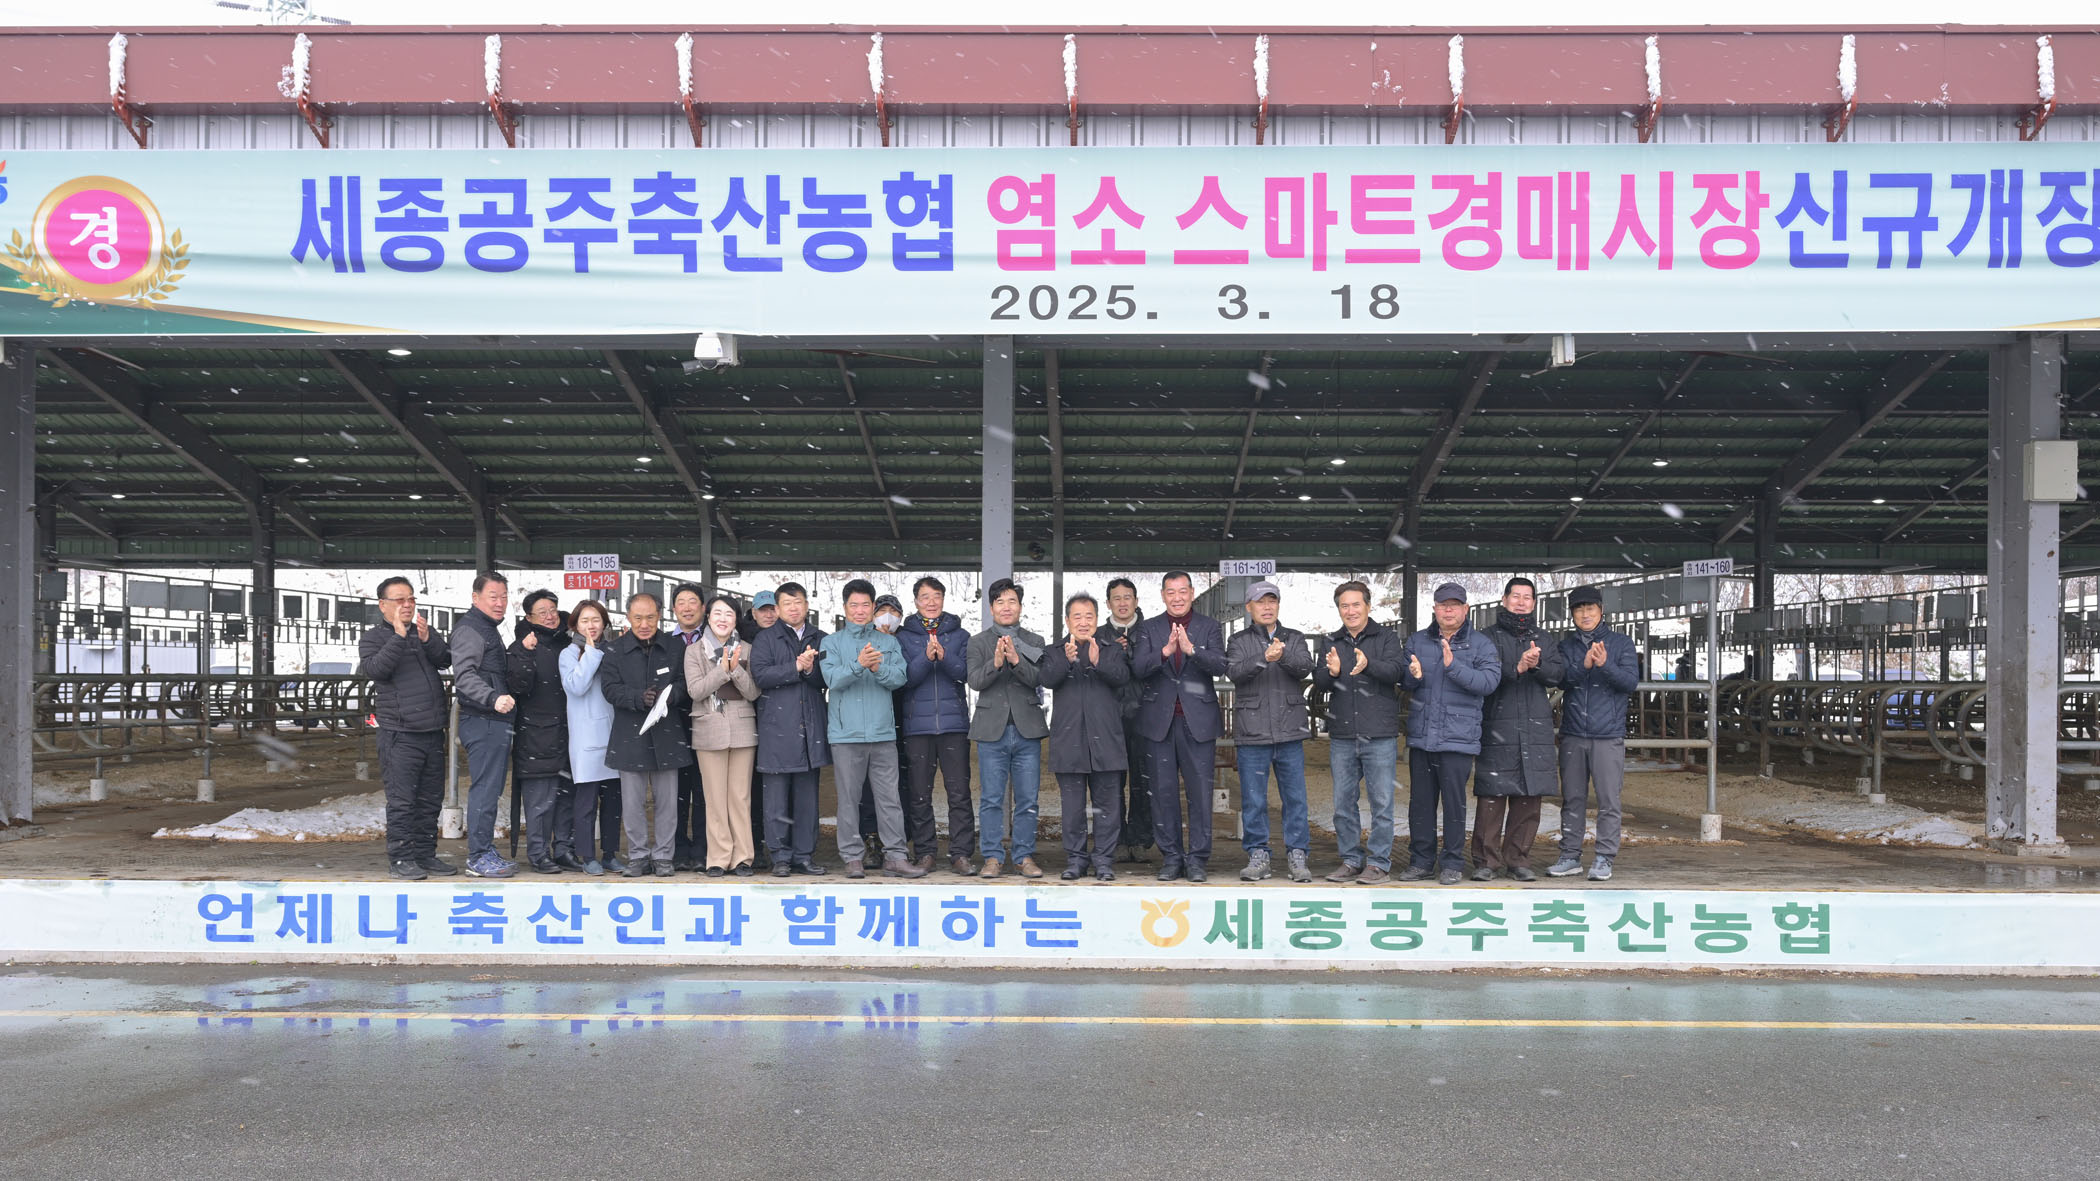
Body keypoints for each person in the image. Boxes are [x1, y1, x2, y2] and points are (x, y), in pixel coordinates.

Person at [1399, 582, 1502, 885]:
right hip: (1422, 736)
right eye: (1443, 605)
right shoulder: (1418, 641)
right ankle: (1421, 861)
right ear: (1434, 608)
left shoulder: (1480, 644)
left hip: (1458, 739)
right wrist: (1412, 676)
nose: (1448, 610)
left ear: (1465, 609)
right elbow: (1403, 680)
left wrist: (1453, 666)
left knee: (1454, 805)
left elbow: (1488, 683)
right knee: (1421, 804)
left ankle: (1453, 862)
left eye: (1454, 605)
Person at [1130, 570, 1227, 883]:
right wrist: (1165, 652)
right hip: (1159, 722)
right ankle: (1171, 857)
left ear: (1192, 593)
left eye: (1182, 591)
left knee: (1200, 793)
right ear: (1162, 596)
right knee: (1163, 793)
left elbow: (1220, 665)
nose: (1177, 597)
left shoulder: (1209, 626)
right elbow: (1138, 668)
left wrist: (1191, 650)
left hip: (1198, 721)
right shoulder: (1148, 628)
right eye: (1170, 592)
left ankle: (1197, 859)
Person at [820, 580, 921, 878]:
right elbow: (831, 680)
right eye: (854, 605)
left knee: (889, 799)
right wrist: (859, 664)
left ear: (873, 608)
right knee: (849, 799)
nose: (860, 610)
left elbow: (900, 678)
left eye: (866, 605)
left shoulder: (888, 642)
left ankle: (896, 856)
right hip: (846, 734)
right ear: (845, 608)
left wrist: (878, 668)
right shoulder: (831, 643)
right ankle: (852, 857)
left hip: (882, 733)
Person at [357, 576, 456, 880]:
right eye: (400, 599)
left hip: (432, 731)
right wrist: (398, 638)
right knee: (402, 801)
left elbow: (445, 659)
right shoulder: (373, 638)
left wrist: (428, 639)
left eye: (411, 599)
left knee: (430, 799)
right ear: (383, 605)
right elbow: (376, 670)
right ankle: (400, 858)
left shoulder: (423, 631)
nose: (407, 605)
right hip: (399, 733)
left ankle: (425, 854)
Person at [1471, 577, 1567, 882]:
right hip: (1496, 722)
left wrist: (1537, 666)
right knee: (1492, 796)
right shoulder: (1486, 638)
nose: (1521, 602)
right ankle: (1486, 861)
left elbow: (1558, 674)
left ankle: (1518, 859)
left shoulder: (1544, 638)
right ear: (1504, 600)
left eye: (1527, 597)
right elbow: (1482, 676)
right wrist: (1517, 668)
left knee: (1529, 795)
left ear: (1534, 603)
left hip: (1534, 725)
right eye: (1516, 596)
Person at [1313, 580, 1405, 885]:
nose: (1350, 611)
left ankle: (1378, 863)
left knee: (1382, 803)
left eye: (1356, 604)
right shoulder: (1331, 640)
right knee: (1343, 803)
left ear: (1368, 606)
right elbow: (1319, 682)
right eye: (1344, 605)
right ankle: (1351, 859)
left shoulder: (1387, 637)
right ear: (1338, 609)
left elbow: (1396, 672)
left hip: (1379, 733)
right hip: (1343, 733)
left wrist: (1368, 664)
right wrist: (1332, 673)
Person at [1225, 580, 1316, 883]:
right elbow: (1235, 672)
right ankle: (1258, 853)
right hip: (1253, 732)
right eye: (1260, 602)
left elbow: (1304, 667)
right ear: (1249, 607)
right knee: (1254, 799)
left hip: (1290, 731)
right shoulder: (1238, 640)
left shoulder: (1294, 637)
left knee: (1295, 798)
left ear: (1278, 605)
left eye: (1271, 601)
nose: (1267, 607)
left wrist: (1282, 655)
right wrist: (1263, 658)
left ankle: (1297, 853)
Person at [597, 592, 693, 878]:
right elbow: (609, 689)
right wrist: (637, 698)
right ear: (628, 617)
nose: (644, 624)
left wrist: (670, 696)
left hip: (667, 734)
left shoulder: (674, 647)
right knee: (632, 803)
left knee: (668, 803)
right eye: (638, 618)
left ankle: (664, 856)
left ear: (659, 616)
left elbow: (685, 683)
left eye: (650, 617)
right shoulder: (614, 650)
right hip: (630, 735)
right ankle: (638, 856)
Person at [1550, 584, 1641, 882]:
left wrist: (1605, 665)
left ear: (1601, 611)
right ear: (1572, 614)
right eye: (1579, 610)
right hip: (1574, 732)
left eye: (1590, 608)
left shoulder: (1621, 643)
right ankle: (1570, 855)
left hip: (1608, 734)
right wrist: (1584, 665)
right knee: (1572, 798)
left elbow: (1629, 682)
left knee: (1608, 799)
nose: (1585, 614)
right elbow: (1562, 680)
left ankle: (1604, 856)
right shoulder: (1566, 647)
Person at [1041, 591, 1130, 882]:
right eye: (1077, 617)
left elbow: (1122, 678)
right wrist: (1066, 662)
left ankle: (1104, 860)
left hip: (1106, 740)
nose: (1083, 622)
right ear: (1067, 621)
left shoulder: (1112, 649)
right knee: (1072, 808)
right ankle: (1076, 859)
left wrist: (1098, 661)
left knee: (1108, 807)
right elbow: (1047, 679)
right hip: (1069, 741)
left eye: (1088, 616)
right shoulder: (1055, 651)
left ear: (1097, 619)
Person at [968, 577, 1049, 878]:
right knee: (991, 798)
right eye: (1000, 602)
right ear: (991, 608)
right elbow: (975, 681)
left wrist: (1016, 660)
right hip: (992, 730)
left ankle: (1024, 856)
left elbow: (1039, 678)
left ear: (1020, 607)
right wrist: (996, 663)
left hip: (1027, 729)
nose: (1006, 607)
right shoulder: (978, 642)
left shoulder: (1035, 641)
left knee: (1027, 799)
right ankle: (992, 857)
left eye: (1012, 601)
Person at [751, 582, 831, 876]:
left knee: (807, 799)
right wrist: (795, 668)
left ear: (806, 605)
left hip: (810, 727)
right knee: (776, 801)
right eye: (787, 603)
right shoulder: (765, 638)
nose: (793, 608)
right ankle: (780, 857)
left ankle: (804, 855)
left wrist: (810, 669)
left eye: (798, 602)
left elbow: (828, 679)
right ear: (778, 608)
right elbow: (760, 675)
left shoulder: (820, 638)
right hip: (777, 727)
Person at [898, 575, 975, 874]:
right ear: (916, 601)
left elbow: (965, 674)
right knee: (919, 794)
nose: (931, 602)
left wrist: (944, 657)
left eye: (936, 596)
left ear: (943, 599)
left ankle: (961, 854)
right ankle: (926, 852)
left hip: (954, 725)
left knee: (959, 793)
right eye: (925, 597)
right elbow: (904, 679)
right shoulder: (904, 637)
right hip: (917, 727)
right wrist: (924, 658)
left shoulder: (960, 635)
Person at [684, 594, 761, 876]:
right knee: (714, 799)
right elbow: (696, 691)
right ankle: (717, 857)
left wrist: (736, 669)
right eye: (717, 613)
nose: (723, 619)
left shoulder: (748, 649)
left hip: (742, 729)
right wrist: (722, 670)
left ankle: (743, 857)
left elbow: (753, 692)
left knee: (740, 797)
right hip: (708, 728)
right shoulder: (694, 651)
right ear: (708, 616)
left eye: (729, 614)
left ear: (736, 619)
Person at [449, 571, 519, 878]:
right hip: (483, 719)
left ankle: (484, 850)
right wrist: (492, 697)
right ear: (475, 598)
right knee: (485, 790)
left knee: (490, 789)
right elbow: (464, 676)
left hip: (493, 720)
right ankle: (478, 857)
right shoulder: (471, 630)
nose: (500, 602)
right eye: (493, 596)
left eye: (504, 596)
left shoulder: (487, 628)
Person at [504, 588, 572, 874]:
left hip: (569, 733)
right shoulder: (520, 646)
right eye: (542, 612)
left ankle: (564, 849)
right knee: (540, 800)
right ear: (529, 617)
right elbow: (518, 686)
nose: (550, 616)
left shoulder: (569, 642)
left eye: (552, 610)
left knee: (567, 797)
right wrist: (525, 653)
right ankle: (538, 852)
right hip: (536, 735)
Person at [560, 598, 622, 875]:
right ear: (575, 625)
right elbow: (576, 686)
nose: (591, 625)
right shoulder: (568, 654)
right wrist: (591, 653)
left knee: (613, 801)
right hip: (586, 738)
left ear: (605, 623)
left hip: (613, 735)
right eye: (584, 621)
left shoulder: (613, 651)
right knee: (586, 801)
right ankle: (587, 856)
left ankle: (610, 853)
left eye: (596, 620)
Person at [1101, 577, 1153, 862]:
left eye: (1127, 597)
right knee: (1111, 782)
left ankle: (1141, 839)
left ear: (1136, 601)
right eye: (1116, 598)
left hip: (1146, 715)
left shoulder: (1151, 633)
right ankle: (1117, 839)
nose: (1122, 603)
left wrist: (1132, 654)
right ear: (1108, 603)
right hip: (1108, 717)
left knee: (1143, 779)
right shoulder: (1099, 635)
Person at [664, 582, 710, 871]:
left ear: (703, 607)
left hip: (708, 720)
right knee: (676, 792)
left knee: (705, 791)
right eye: (681, 602)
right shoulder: (664, 642)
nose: (687, 608)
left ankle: (703, 849)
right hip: (673, 724)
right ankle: (679, 848)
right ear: (673, 609)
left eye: (693, 601)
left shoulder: (715, 638)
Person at [739, 590, 779, 868]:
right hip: (748, 718)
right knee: (750, 788)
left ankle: (775, 844)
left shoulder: (786, 637)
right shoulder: (742, 640)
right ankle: (753, 846)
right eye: (763, 610)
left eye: (772, 609)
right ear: (753, 613)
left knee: (774, 788)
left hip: (778, 720)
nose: (768, 614)